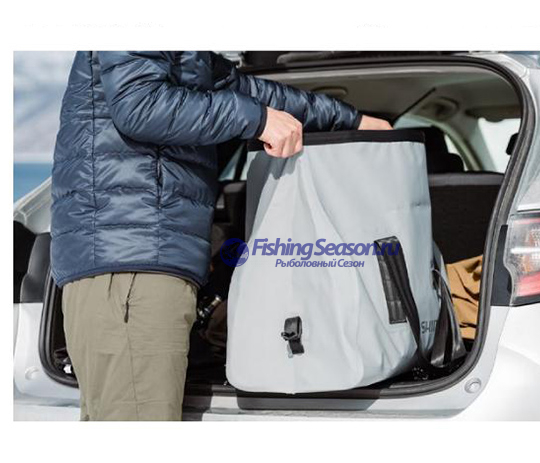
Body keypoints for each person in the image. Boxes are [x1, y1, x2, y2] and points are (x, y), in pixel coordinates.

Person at [51, 51, 392, 421]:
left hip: (142, 257)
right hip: (132, 263)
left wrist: (352, 120)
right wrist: (258, 120)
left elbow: (244, 91)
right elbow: (140, 104)